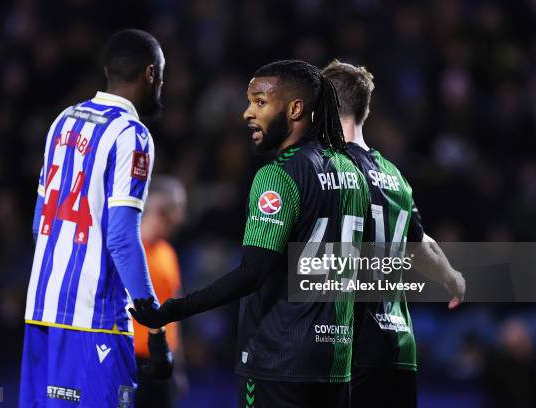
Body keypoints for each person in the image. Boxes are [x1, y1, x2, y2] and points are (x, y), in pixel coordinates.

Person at [131, 60, 371, 408]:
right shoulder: (353, 173)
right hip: (336, 361)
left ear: (295, 108)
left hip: (279, 361)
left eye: (259, 102)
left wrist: (172, 310)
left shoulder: (278, 175)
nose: (247, 113)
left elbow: (252, 273)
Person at [20, 29, 173, 408]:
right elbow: (121, 239)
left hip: (41, 311)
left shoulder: (63, 121)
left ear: (108, 71)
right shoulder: (131, 135)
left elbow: (41, 221)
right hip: (95, 321)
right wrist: (154, 328)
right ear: (151, 74)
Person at [322, 59, 466, 408]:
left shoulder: (324, 167)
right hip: (398, 344)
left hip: (346, 343)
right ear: (365, 111)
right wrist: (452, 277)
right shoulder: (394, 175)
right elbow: (421, 244)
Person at [133, 176, 187, 408]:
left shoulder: (168, 254)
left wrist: (179, 366)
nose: (181, 218)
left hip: (163, 363)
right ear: (161, 210)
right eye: (178, 209)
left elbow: (176, 313)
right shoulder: (127, 252)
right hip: (130, 363)